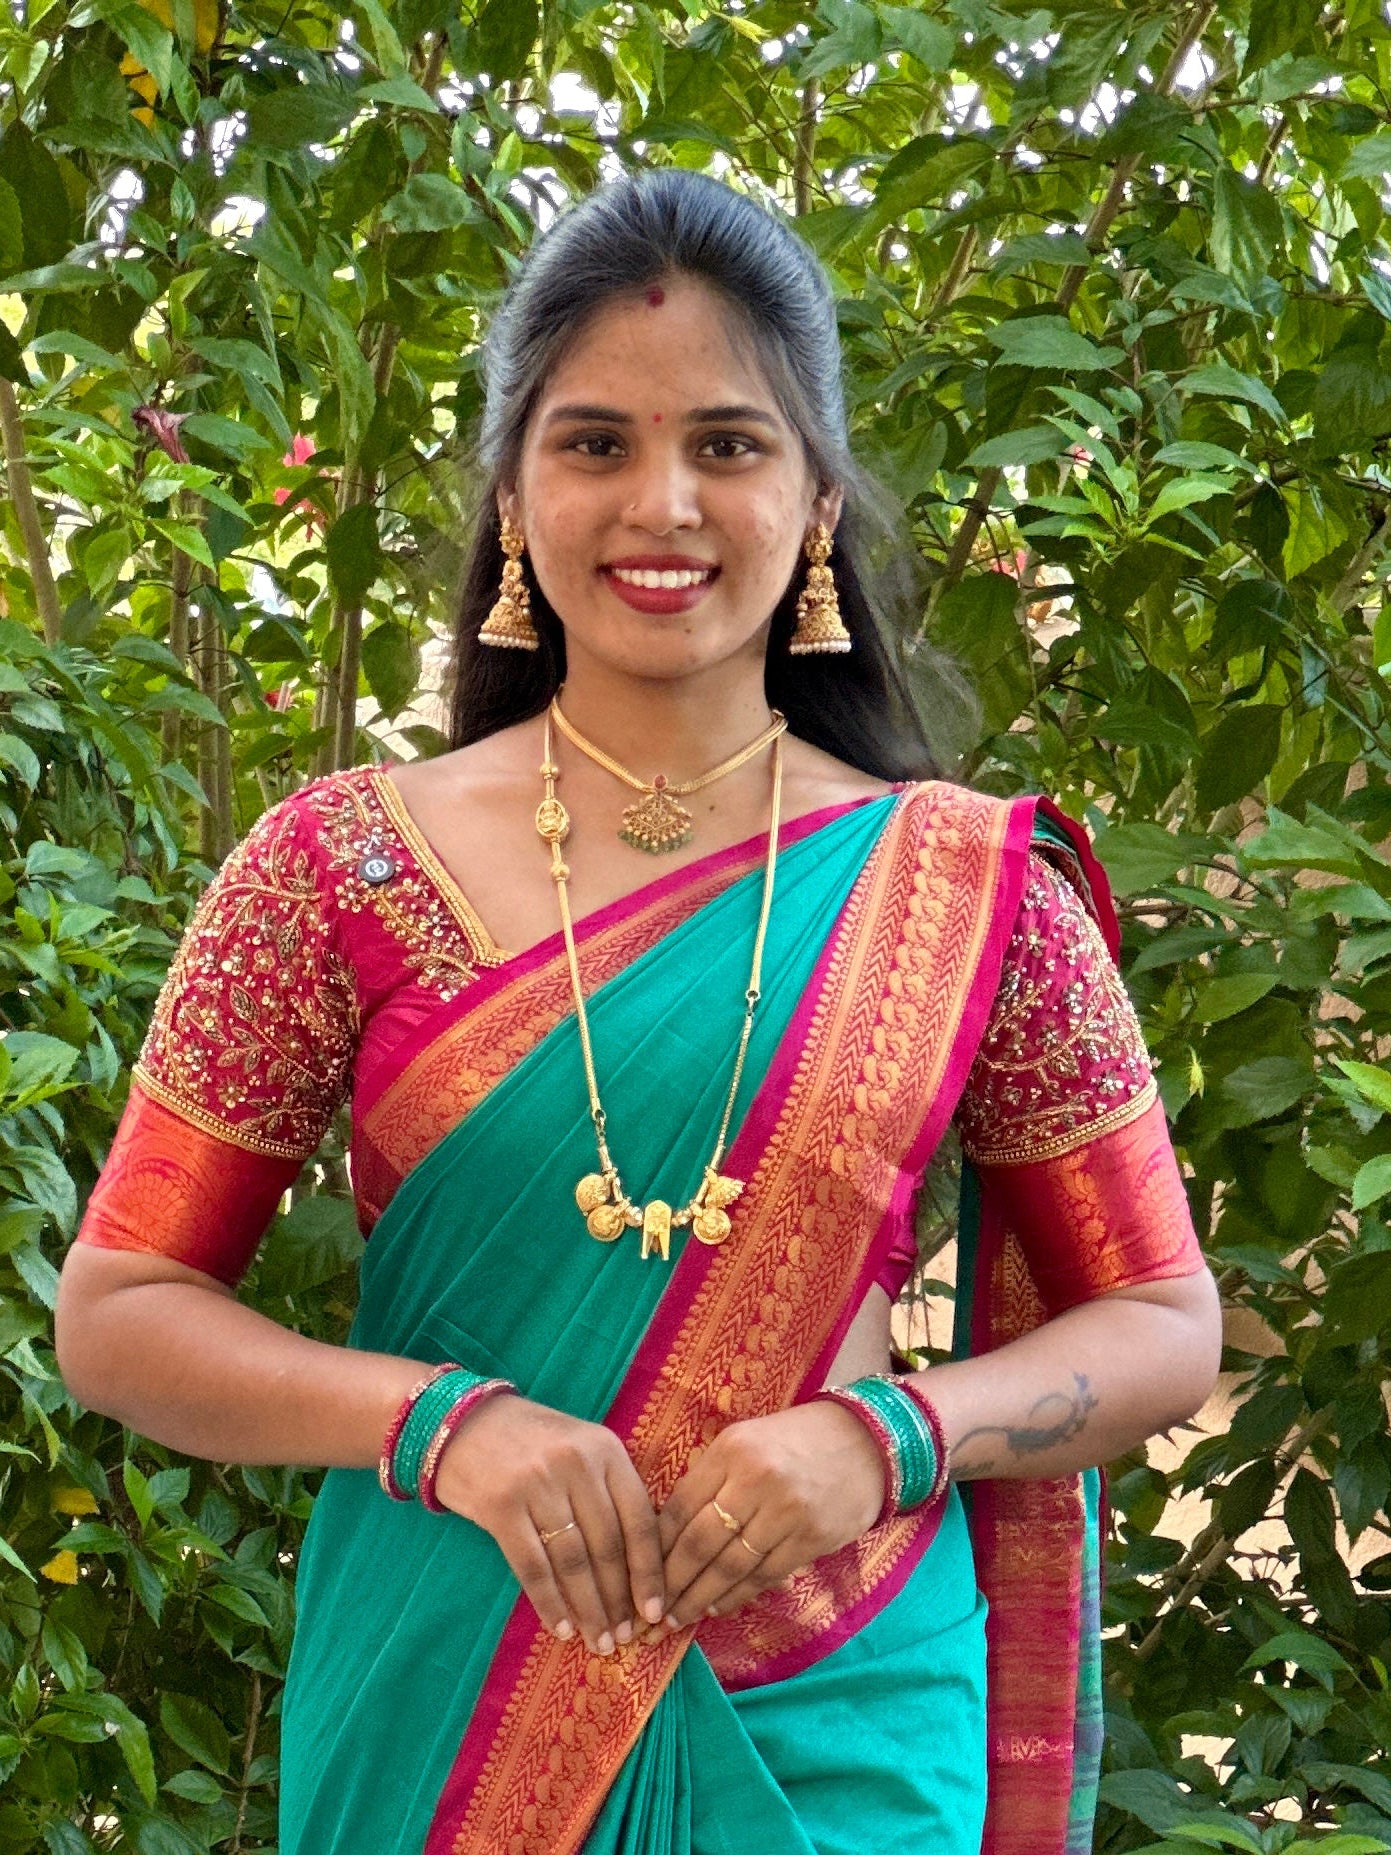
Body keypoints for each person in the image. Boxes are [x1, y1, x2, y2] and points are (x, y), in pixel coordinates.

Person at [55, 169, 1221, 1855]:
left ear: (816, 499)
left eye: (728, 445)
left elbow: (1163, 1320)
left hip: (838, 1706)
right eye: (595, 443)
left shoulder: (972, 889)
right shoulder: (334, 868)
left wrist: (891, 1437)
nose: (661, 505)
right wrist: (439, 1426)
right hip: (444, 1699)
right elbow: (120, 1310)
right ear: (514, 492)